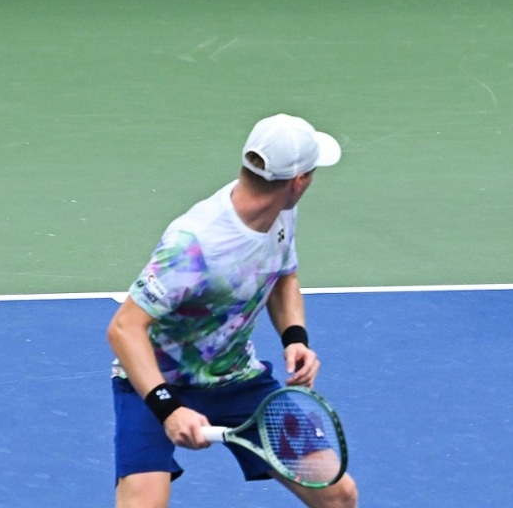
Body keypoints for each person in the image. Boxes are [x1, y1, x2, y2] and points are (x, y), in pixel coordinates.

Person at [106, 113, 359, 508]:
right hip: (155, 381)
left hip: (236, 379)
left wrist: (295, 337)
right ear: (299, 182)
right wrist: (168, 409)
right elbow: (124, 328)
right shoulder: (193, 245)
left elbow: (283, 274)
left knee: (338, 495)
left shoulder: (282, 212)